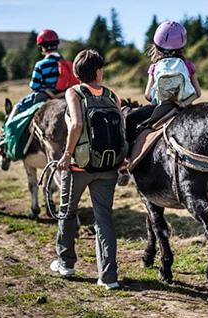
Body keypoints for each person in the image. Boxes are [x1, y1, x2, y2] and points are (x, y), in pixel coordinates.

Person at [50, 49, 121, 290]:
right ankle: (108, 277)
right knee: (104, 220)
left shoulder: (73, 92)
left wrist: (67, 155)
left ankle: (66, 263)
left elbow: (77, 124)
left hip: (79, 167)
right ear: (99, 72)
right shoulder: (112, 96)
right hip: (108, 166)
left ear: (77, 72)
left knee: (67, 212)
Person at [0, 29, 78, 148]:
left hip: (43, 96)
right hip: (64, 96)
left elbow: (34, 86)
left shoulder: (41, 65)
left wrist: (50, 94)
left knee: (17, 107)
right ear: (56, 45)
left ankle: (4, 137)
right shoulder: (67, 64)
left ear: (42, 48)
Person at [125, 20, 202, 149]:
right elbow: (198, 93)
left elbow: (148, 95)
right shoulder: (188, 66)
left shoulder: (154, 67)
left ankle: (128, 155)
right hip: (184, 107)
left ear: (157, 45)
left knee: (130, 119)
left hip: (159, 109)